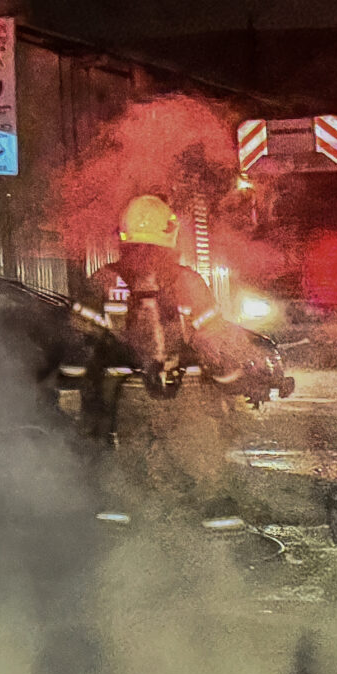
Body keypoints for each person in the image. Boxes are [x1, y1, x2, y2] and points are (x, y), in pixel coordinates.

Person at [61, 193, 251, 515]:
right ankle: (215, 545)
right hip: (186, 396)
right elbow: (214, 344)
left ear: (124, 234)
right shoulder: (189, 282)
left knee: (127, 480)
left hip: (125, 399)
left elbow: (79, 343)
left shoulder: (103, 281)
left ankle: (129, 544)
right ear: (170, 234)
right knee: (205, 479)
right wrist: (233, 380)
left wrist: (76, 393)